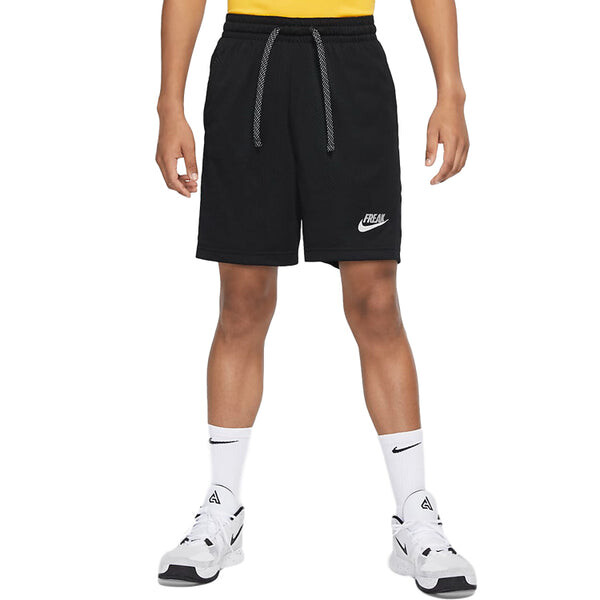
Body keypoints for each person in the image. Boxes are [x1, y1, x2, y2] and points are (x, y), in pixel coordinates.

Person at [155, 0, 475, 596]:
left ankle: (415, 515)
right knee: (242, 302)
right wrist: (169, 103)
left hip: (349, 62)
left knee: (375, 300)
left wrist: (450, 90)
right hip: (249, 59)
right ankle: (222, 508)